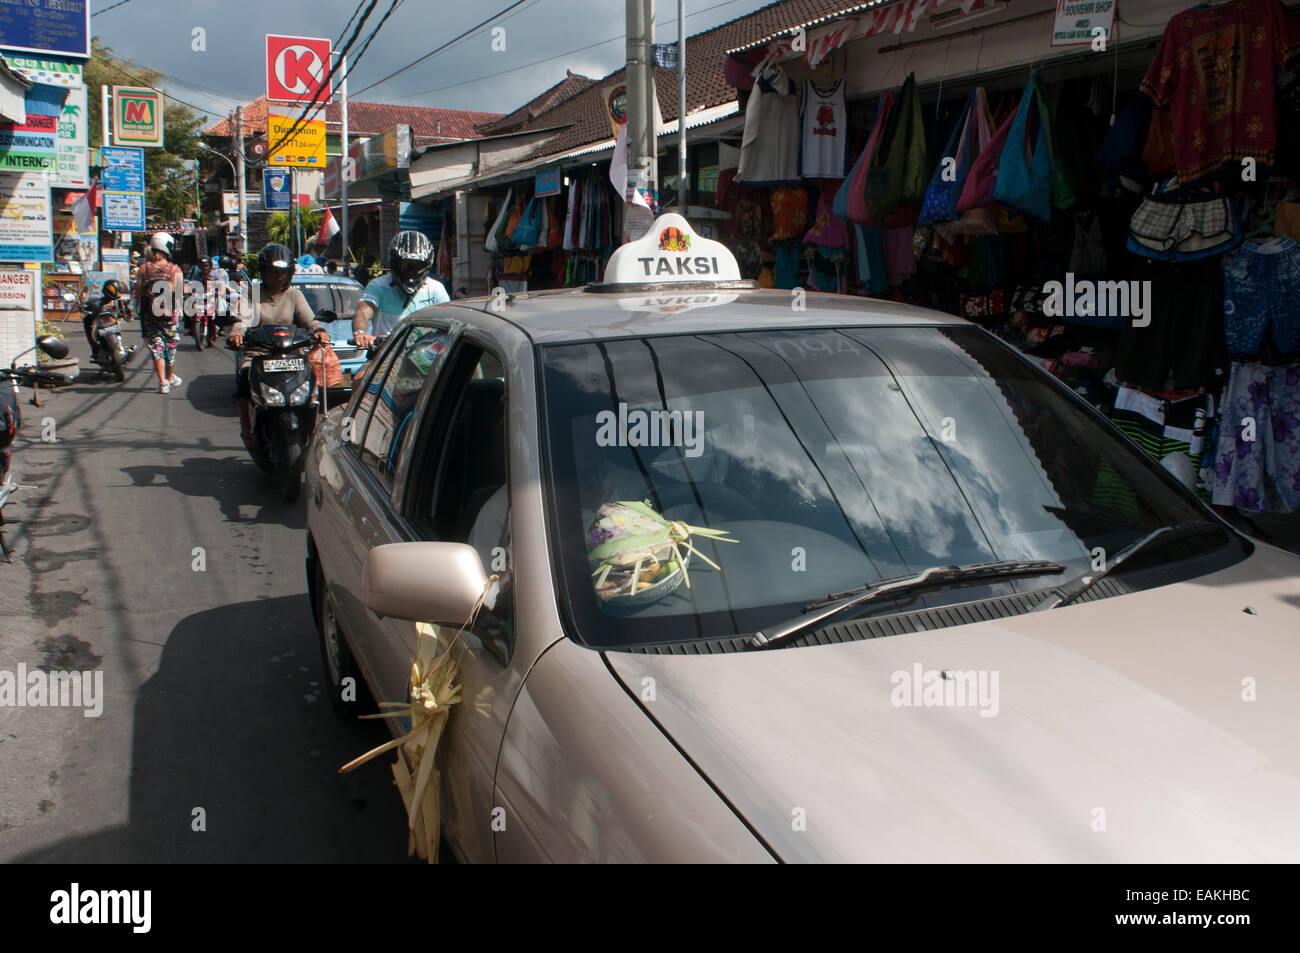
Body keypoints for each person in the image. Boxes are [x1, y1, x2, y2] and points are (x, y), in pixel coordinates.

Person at [228, 243, 330, 448]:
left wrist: (319, 330)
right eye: (273, 271)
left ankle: (317, 431)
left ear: (290, 273)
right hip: (259, 354)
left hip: (292, 356)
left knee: (313, 388)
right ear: (264, 271)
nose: (278, 276)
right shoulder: (252, 293)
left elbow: (309, 319)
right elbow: (243, 318)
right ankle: (248, 430)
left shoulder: (295, 295)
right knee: (244, 381)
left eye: (283, 272)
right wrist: (238, 331)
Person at [352, 231, 449, 349]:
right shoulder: (378, 285)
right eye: (405, 266)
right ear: (394, 264)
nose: (410, 273)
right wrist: (360, 332)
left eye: (417, 267)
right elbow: (363, 311)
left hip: (424, 361)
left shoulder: (436, 289)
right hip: (385, 358)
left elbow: (450, 321)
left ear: (426, 266)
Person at [134, 233, 184, 394]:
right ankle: (169, 378)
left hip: (150, 317)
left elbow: (139, 293)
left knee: (157, 350)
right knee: (171, 349)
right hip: (170, 317)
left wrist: (138, 310)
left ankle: (163, 383)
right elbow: (181, 293)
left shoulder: (144, 268)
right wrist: (179, 308)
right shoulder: (174, 269)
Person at [82, 278, 128, 361]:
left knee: (87, 324)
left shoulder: (112, 301)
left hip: (110, 326)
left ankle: (98, 351)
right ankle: (99, 351)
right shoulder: (102, 301)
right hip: (105, 326)